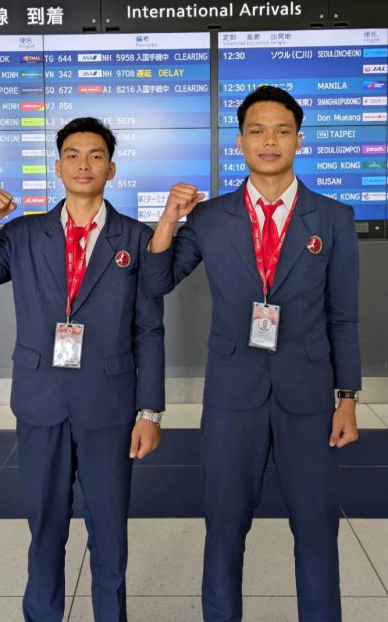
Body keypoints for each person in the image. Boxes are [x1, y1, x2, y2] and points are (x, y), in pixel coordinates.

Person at [143, 86, 361, 622]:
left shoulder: (333, 217)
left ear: (299, 140)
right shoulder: (210, 216)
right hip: (232, 392)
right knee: (224, 523)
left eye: (282, 131)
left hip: (308, 395)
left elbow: (343, 315)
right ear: (239, 142)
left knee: (316, 525)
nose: (269, 141)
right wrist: (169, 219)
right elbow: (155, 281)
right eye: (257, 131)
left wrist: (348, 397)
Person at [0, 117, 165, 622]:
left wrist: (149, 410)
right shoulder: (23, 234)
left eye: (95, 156)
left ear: (111, 169)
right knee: (45, 525)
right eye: (72, 155)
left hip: (109, 405)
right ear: (58, 167)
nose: (83, 164)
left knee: (109, 529)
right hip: (40, 401)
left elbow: (149, 330)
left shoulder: (136, 238)